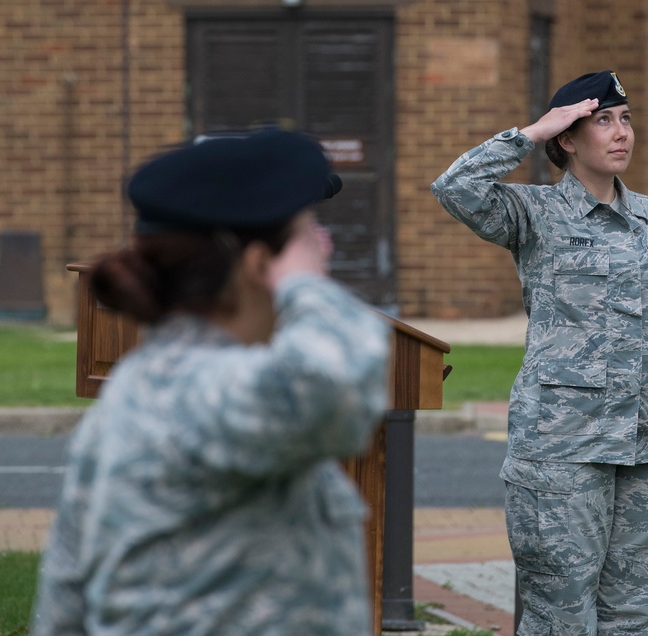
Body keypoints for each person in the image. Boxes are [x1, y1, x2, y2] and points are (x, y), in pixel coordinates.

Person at [32, 129, 390, 635]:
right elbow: (339, 382)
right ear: (259, 264)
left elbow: (66, 593)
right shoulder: (201, 390)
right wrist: (305, 285)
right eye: (309, 241)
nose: (322, 253)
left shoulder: (145, 382)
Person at [431, 70, 648, 635]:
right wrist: (530, 133)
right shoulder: (534, 214)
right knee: (561, 612)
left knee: (639, 615)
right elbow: (455, 187)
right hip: (562, 450)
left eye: (625, 118)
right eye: (601, 120)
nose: (621, 132)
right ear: (568, 140)